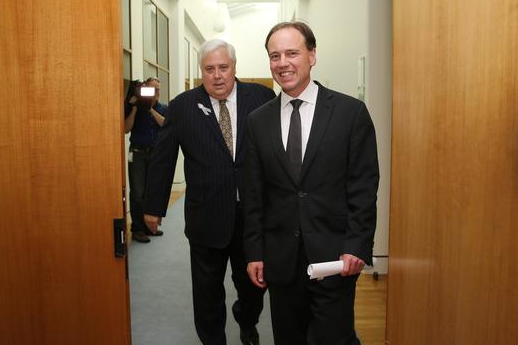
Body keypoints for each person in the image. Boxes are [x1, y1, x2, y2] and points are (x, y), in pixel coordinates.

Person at [242, 21, 380, 344]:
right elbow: (253, 194)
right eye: (274, 56)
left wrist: (357, 245)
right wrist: (254, 252)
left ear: (312, 55)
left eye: (292, 52)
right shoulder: (258, 121)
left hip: (335, 258)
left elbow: (363, 186)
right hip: (281, 261)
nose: (283, 63)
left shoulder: (350, 113)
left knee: (334, 338)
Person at [143, 39, 275, 345]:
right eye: (209, 69)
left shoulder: (262, 98)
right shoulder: (183, 106)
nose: (217, 76)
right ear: (202, 71)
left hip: (252, 219)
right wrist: (153, 207)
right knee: (207, 291)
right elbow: (164, 159)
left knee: (254, 286)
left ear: (234, 67)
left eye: (223, 68)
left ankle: (246, 317)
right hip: (207, 215)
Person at [124, 77, 167, 243]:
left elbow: (165, 125)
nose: (156, 93)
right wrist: (135, 108)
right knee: (137, 193)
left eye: (158, 90)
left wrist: (149, 109)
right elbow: (126, 129)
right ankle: (137, 229)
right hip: (137, 154)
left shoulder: (163, 108)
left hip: (156, 154)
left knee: (151, 192)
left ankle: (150, 227)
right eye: (152, 89)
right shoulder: (134, 107)